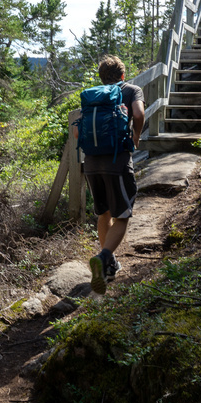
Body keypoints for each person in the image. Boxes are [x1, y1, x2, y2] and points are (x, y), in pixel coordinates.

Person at [75, 55, 145, 294]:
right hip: (117, 162)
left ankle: (108, 266)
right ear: (123, 75)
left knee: (103, 212)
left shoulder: (92, 94)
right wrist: (135, 137)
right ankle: (104, 257)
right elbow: (138, 114)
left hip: (92, 162)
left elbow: (77, 132)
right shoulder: (132, 90)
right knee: (123, 214)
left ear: (101, 77)